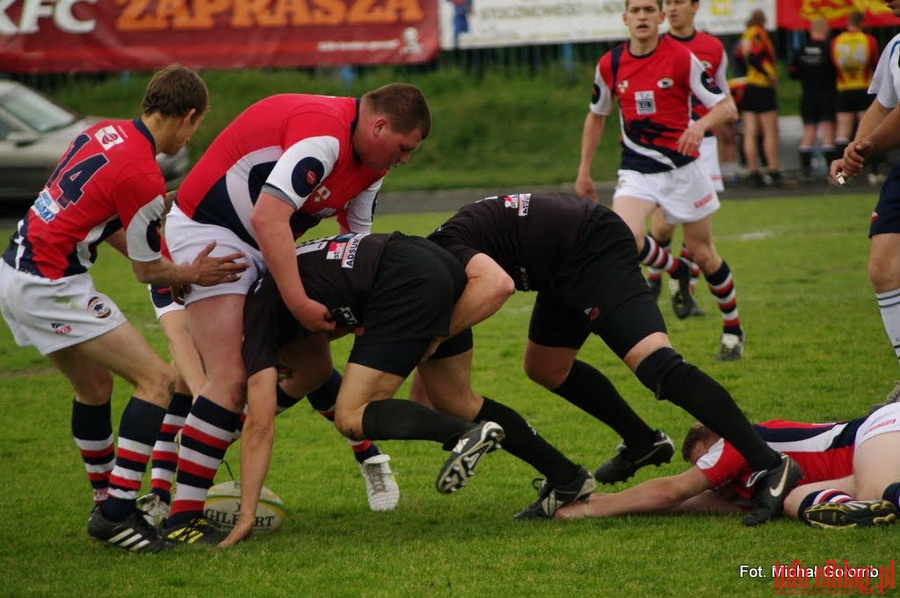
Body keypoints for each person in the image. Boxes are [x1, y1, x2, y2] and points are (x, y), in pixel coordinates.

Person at [421, 192, 801, 527]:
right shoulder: (435, 258)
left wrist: (428, 339)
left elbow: (495, 287)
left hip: (592, 243)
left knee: (658, 366)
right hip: (559, 261)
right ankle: (642, 442)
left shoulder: (441, 258)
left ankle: (769, 464)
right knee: (545, 368)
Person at [160, 83, 432, 544]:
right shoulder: (324, 138)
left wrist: (359, 309)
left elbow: (355, 241)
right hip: (211, 234)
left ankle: (211, 447)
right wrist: (300, 304)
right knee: (224, 378)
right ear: (379, 125)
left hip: (266, 242)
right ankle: (179, 517)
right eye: (404, 148)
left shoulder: (372, 164)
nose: (404, 159)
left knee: (311, 368)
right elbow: (268, 216)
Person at [0, 64, 248, 553]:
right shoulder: (143, 174)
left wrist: (169, 261)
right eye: (199, 124)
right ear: (190, 115)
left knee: (93, 389)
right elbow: (146, 272)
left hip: (15, 269)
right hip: (51, 283)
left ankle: (104, 501)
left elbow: (105, 220)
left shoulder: (102, 132)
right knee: (156, 380)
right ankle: (116, 513)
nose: (195, 133)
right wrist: (191, 275)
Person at [220, 230, 596, 545]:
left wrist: (246, 514)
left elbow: (261, 426)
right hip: (433, 263)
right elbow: (314, 369)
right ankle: (568, 477)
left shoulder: (254, 325)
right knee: (458, 400)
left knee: (352, 416)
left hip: (402, 281)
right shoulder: (273, 291)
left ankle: (463, 435)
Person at [139, 283, 401, 523]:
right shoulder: (169, 258)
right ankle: (160, 494)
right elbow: (179, 339)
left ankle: (368, 456)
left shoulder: (237, 251)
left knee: (309, 365)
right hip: (217, 312)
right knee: (183, 378)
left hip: (269, 283)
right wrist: (202, 405)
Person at [574, 0, 745, 361]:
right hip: (637, 171)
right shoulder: (610, 64)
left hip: (685, 170)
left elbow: (726, 106)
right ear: (624, 18)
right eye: (634, 10)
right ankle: (678, 270)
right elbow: (596, 116)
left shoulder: (682, 58)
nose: (641, 16)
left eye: (649, 10)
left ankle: (733, 330)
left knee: (705, 254)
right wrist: (584, 171)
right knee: (622, 238)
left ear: (660, 17)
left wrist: (699, 126)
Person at [555, 400, 900, 529]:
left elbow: (673, 490)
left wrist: (592, 510)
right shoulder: (751, 488)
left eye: (705, 462)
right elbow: (684, 503)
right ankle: (855, 510)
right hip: (857, 466)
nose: (714, 480)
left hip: (877, 431)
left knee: (875, 489)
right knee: (795, 503)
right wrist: (602, 502)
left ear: (718, 440)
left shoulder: (737, 440)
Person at [645, 0, 734, 318]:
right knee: (664, 226)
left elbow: (723, 97)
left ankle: (683, 293)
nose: (671, 8)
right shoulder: (655, 46)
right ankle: (655, 279)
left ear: (695, 6)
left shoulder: (712, 47)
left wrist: (717, 129)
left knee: (695, 230)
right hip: (665, 147)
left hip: (704, 146)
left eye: (678, 1)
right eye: (667, 2)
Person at [830, 14, 900, 405]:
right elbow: (883, 105)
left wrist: (866, 147)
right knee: (883, 266)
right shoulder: (894, 47)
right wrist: (852, 150)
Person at [831, 10, 880, 184]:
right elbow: (875, 64)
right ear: (862, 22)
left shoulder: (837, 41)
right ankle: (873, 173)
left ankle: (841, 176)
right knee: (868, 132)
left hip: (844, 89)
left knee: (842, 132)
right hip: (864, 88)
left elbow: (833, 66)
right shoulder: (869, 40)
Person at [734, 9, 781, 187]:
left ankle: (753, 171)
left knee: (750, 131)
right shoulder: (759, 34)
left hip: (749, 85)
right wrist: (768, 75)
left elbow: (739, 56)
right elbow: (755, 56)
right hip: (762, 85)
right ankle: (773, 169)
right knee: (769, 130)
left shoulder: (745, 35)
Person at [789, 16, 838, 184]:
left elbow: (793, 73)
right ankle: (833, 175)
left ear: (810, 31)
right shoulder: (830, 48)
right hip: (826, 94)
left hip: (808, 95)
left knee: (808, 133)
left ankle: (805, 173)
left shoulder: (802, 50)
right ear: (826, 30)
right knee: (828, 132)